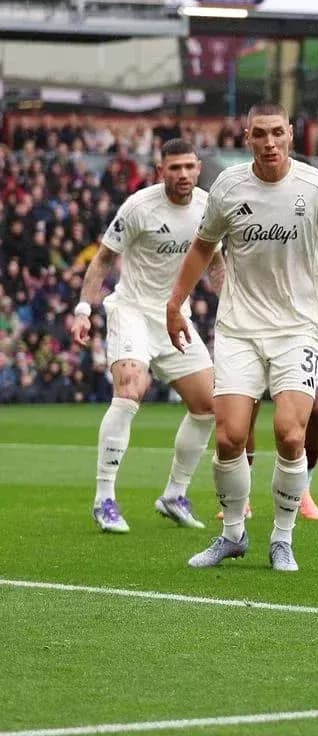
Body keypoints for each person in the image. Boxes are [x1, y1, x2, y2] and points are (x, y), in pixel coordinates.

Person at [166, 102, 318, 572]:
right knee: (231, 436)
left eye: (277, 132)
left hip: (299, 329)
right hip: (238, 329)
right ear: (247, 137)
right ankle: (232, 534)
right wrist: (174, 303)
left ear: (291, 134)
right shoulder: (229, 187)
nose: (269, 142)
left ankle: (282, 538)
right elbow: (201, 247)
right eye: (260, 134)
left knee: (289, 433)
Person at [71, 139, 224, 534]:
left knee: (208, 405)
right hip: (133, 311)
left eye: (190, 167)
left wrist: (234, 309)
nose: (184, 175)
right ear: (161, 171)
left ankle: (174, 494)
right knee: (131, 388)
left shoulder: (208, 206)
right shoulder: (139, 207)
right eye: (175, 168)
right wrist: (84, 310)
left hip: (175, 316)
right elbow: (104, 258)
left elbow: (217, 263)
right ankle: (104, 498)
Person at [230, 243, 318, 522]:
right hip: (253, 325)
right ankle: (241, 495)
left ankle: (303, 486)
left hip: (302, 330)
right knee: (247, 410)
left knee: (316, 408)